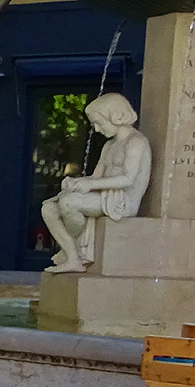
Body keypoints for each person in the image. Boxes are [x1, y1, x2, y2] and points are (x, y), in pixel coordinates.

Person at [41, 92, 152, 274]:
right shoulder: (109, 146)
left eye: (99, 123)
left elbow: (128, 179)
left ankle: (72, 248)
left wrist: (90, 186)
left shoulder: (136, 142)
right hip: (104, 195)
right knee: (49, 208)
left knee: (68, 203)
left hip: (122, 201)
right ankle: (73, 257)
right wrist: (75, 182)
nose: (97, 130)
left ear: (115, 116)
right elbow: (95, 177)